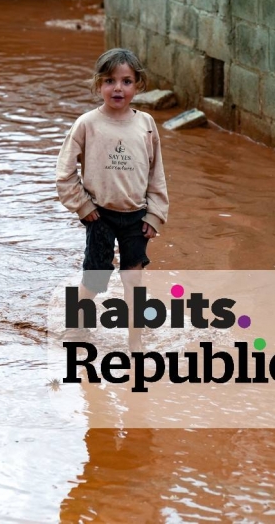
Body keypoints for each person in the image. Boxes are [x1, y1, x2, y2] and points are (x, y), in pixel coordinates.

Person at [56, 48, 169, 351]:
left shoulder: (145, 124)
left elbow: (156, 171)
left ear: (138, 86)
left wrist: (155, 213)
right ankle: (76, 328)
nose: (118, 88)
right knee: (95, 275)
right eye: (109, 81)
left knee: (135, 279)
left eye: (126, 81)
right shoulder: (87, 124)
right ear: (98, 85)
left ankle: (136, 341)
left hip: (136, 215)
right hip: (99, 214)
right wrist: (82, 205)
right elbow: (64, 172)